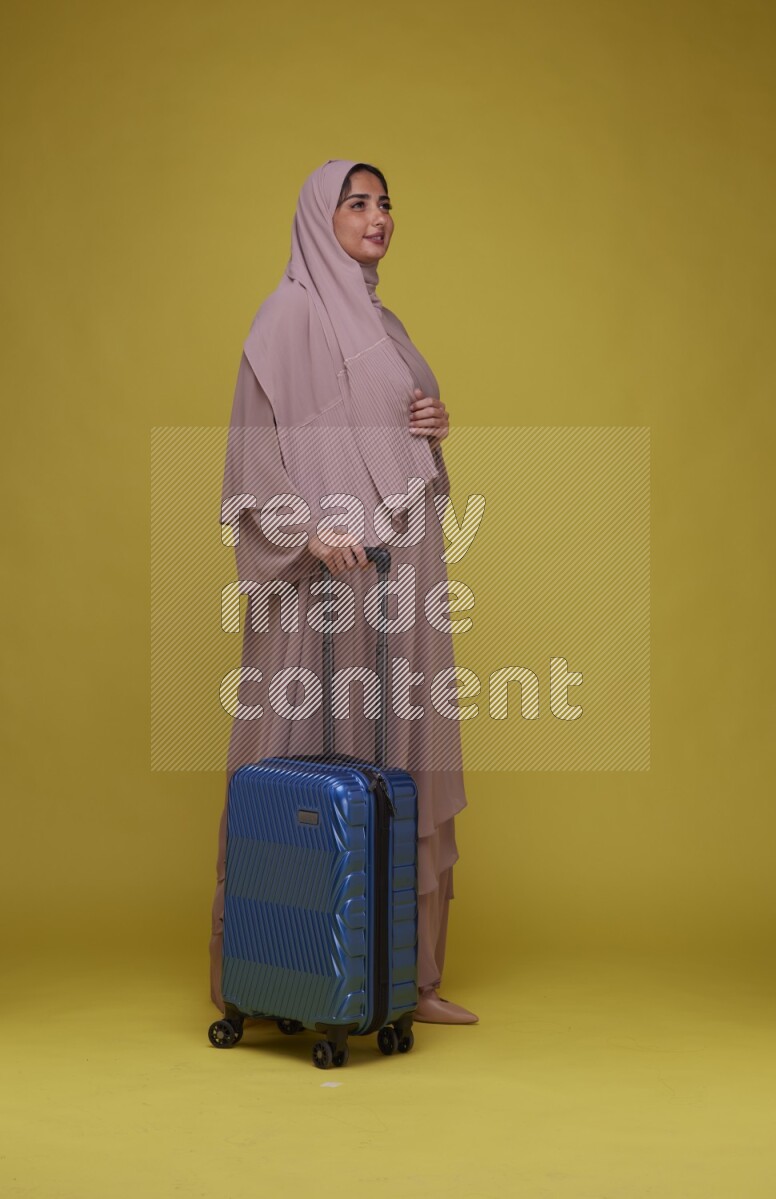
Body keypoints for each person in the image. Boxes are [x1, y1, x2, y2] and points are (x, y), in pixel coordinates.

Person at [210, 158, 478, 1025]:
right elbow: (252, 453)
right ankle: (281, 969)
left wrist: (434, 424)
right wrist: (304, 532)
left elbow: (397, 439)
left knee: (401, 744)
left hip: (402, 558)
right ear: (318, 218)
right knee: (307, 740)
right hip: (325, 564)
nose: (378, 216)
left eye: (385, 202)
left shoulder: (384, 322)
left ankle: (405, 976)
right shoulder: (286, 315)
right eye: (356, 202)